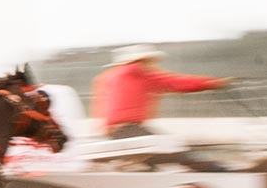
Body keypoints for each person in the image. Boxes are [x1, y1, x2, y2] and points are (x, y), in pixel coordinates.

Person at [91, 45, 230, 171]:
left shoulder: (109, 77)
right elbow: (176, 82)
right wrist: (213, 83)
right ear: (142, 60)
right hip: (130, 129)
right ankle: (220, 171)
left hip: (115, 131)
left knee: (154, 159)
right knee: (177, 150)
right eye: (149, 61)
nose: (151, 64)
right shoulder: (139, 72)